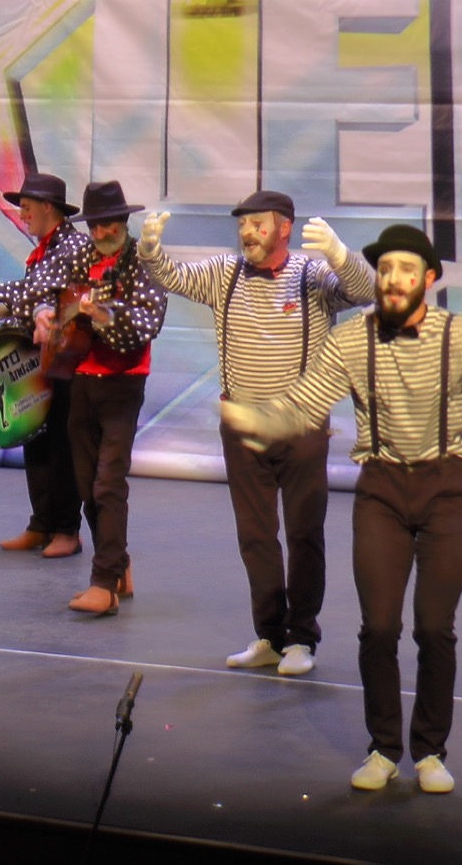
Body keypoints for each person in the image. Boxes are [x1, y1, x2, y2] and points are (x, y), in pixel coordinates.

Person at [221, 224, 462, 794]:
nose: (392, 280)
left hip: (446, 491)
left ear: (428, 279)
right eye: (385, 269)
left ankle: (430, 751)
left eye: (405, 271)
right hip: (381, 492)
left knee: (434, 627)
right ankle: (384, 749)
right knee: (380, 627)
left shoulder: (461, 336)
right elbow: (306, 401)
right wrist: (259, 419)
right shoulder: (351, 341)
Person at [137, 191, 373, 677]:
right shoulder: (224, 273)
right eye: (242, 224)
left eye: (256, 223)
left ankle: (301, 638)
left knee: (304, 533)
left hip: (300, 425)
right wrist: (150, 251)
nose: (246, 232)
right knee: (256, 535)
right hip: (242, 426)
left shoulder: (310, 276)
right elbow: (171, 277)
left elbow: (364, 291)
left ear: (284, 227)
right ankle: (269, 635)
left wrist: (339, 254)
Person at [0, 172, 90, 559]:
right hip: (46, 359)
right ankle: (42, 523)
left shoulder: (72, 245)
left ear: (48, 207)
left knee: (63, 444)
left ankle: (66, 529)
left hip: (69, 361)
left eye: (27, 207)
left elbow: (36, 291)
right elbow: (38, 296)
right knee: (36, 436)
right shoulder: (47, 248)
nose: (22, 214)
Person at [57, 181, 167, 615]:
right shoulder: (80, 258)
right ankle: (117, 564)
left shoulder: (143, 261)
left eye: (108, 225)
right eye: (95, 226)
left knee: (108, 483)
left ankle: (103, 584)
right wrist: (49, 316)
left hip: (123, 382)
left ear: (123, 221)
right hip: (82, 379)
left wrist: (103, 313)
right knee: (87, 484)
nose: (101, 233)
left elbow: (147, 322)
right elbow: (58, 298)